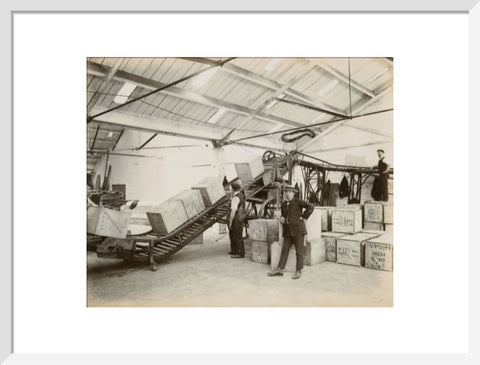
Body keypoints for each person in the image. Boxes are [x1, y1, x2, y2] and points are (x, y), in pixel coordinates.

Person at [268, 185, 314, 279]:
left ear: (293, 193)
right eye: (286, 192)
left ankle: (298, 271)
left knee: (299, 252)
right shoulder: (284, 204)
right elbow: (283, 215)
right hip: (288, 232)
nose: (288, 194)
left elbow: (311, 206)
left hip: (298, 231)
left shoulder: (298, 201)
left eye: (290, 192)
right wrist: (281, 218)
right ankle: (280, 269)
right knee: (284, 251)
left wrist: (304, 217)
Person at [228, 181, 246, 258]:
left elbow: (233, 211)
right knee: (232, 234)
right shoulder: (240, 195)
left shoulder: (236, 197)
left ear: (233, 189)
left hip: (236, 218)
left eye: (230, 187)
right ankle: (234, 250)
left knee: (237, 235)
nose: (229, 188)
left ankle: (240, 253)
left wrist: (230, 222)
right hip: (239, 217)